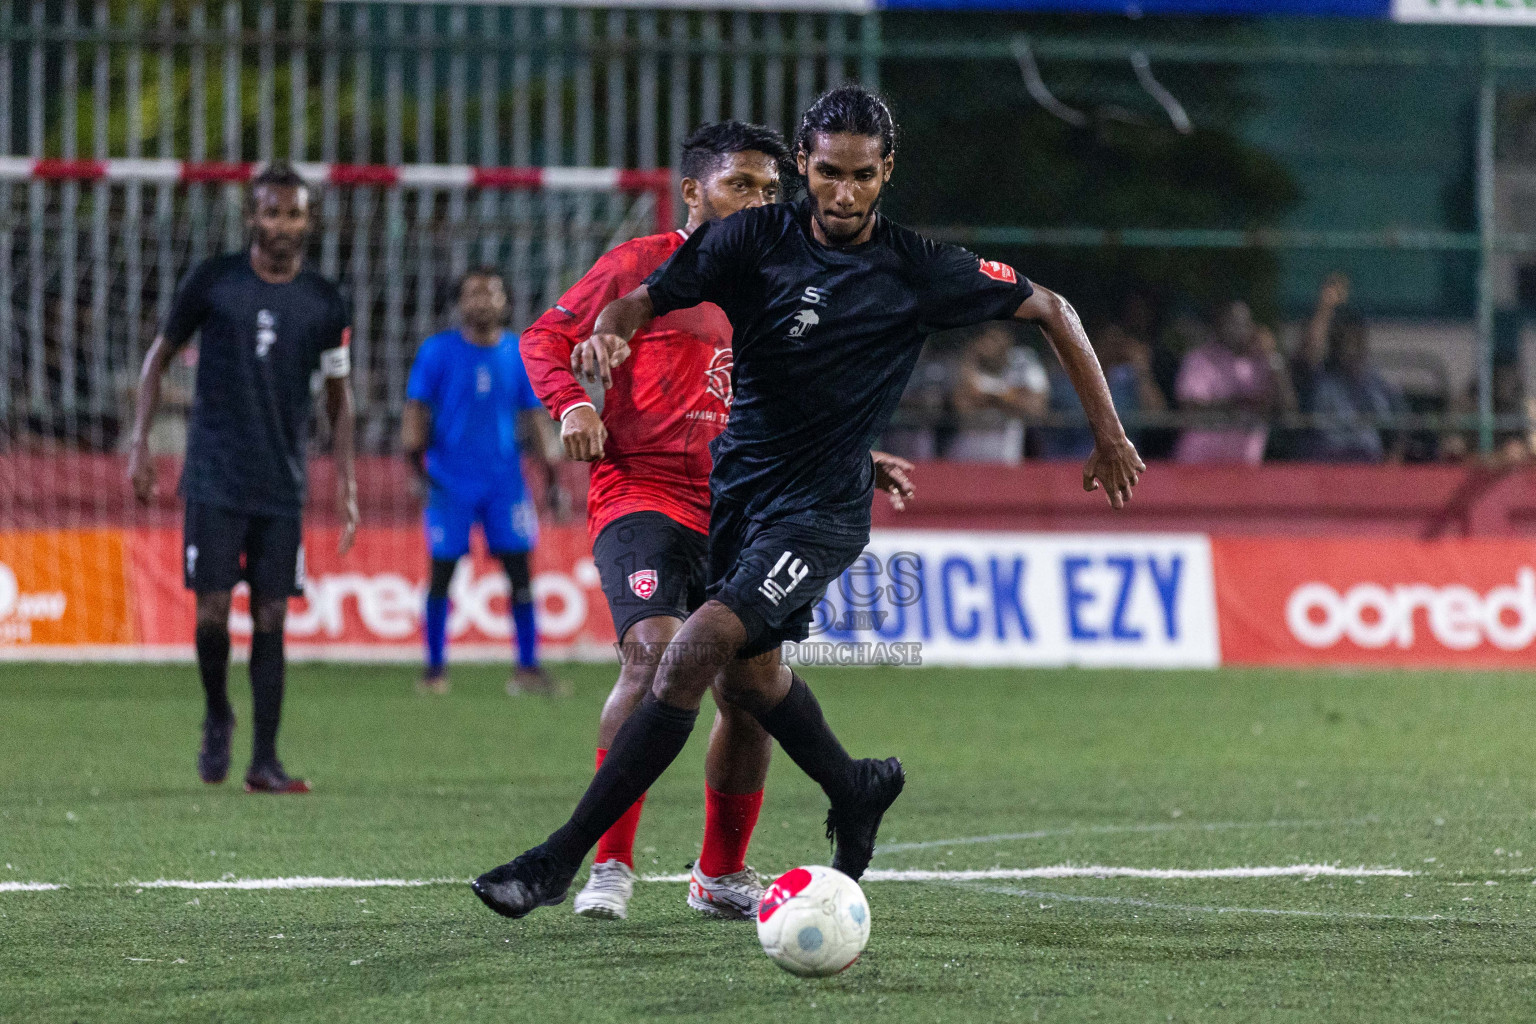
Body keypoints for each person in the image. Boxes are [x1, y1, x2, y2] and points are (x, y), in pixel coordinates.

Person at [469, 85, 1142, 920]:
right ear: (805, 166)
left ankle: (559, 862)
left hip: (817, 512)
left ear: (886, 171)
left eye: (862, 176)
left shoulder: (919, 268)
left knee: (687, 653)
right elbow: (648, 293)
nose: (844, 193)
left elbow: (1052, 306)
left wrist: (1107, 433)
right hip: (736, 499)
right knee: (751, 683)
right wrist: (614, 327)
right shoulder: (753, 238)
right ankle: (851, 785)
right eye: (828, 173)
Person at [518, 121, 789, 920]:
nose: (760, 201)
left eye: (772, 190)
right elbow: (544, 337)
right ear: (695, 192)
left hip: (742, 511)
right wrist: (572, 401)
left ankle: (719, 875)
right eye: (742, 184)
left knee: (751, 695)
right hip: (643, 492)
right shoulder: (639, 266)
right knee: (653, 657)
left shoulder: (783, 281)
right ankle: (610, 867)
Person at [126, 162, 358, 795]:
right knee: (209, 614)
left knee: (274, 616)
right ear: (251, 216)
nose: (280, 223)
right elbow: (158, 359)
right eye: (270, 211)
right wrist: (140, 442)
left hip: (282, 485)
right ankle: (217, 711)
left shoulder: (324, 300)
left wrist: (347, 481)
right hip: (214, 477)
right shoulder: (215, 281)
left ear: (309, 221)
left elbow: (340, 397)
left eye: (293, 213)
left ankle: (265, 759)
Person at [401, 269, 559, 697]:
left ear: (505, 301)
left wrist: (552, 473)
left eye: (492, 292)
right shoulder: (437, 352)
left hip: (505, 483)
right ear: (460, 303)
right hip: (448, 482)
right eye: (474, 293)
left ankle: (527, 668)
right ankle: (434, 671)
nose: (483, 300)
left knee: (520, 575)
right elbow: (416, 409)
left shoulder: (517, 353)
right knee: (441, 575)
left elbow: (533, 417)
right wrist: (415, 465)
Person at [1173, 299, 1296, 465]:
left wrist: (1273, 357)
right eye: (1233, 322)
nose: (1239, 329)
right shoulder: (1199, 359)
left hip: (1245, 466)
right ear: (1219, 325)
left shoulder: (1262, 362)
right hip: (1199, 463)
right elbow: (1190, 407)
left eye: (1244, 323)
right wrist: (1241, 403)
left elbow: (1288, 409)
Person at [1038, 320, 1166, 461]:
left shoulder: (1129, 382)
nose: (1113, 349)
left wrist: (1142, 371)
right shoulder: (1063, 383)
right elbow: (1043, 424)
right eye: (1109, 342)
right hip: (1071, 466)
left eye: (1118, 344)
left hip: (1122, 469)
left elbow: (1157, 413)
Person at [945, 322, 1048, 463]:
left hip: (1007, 454)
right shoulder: (970, 363)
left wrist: (989, 397)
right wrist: (1009, 398)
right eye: (987, 339)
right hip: (967, 454)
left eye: (995, 339)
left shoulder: (1023, 362)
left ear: (1007, 340)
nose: (990, 346)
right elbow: (962, 406)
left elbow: (1035, 409)